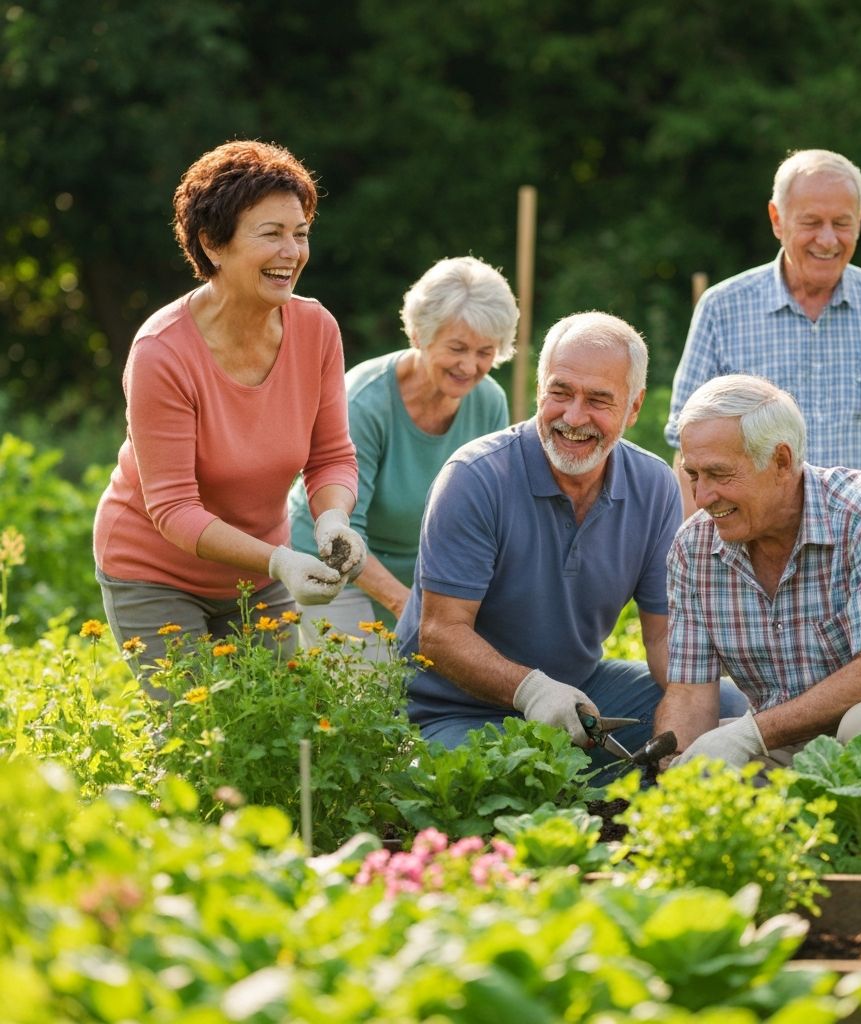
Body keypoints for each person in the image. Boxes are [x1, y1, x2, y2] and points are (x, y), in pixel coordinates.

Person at [397, 311, 748, 774]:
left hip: (580, 692)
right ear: (540, 390)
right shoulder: (476, 478)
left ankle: (643, 786)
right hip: (455, 709)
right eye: (560, 392)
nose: (574, 417)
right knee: (516, 778)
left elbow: (664, 633)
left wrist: (684, 730)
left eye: (599, 400)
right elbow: (441, 634)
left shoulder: (654, 485)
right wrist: (533, 691)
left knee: (727, 708)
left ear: (634, 407)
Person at [93, 139, 367, 692]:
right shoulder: (162, 353)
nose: (292, 251)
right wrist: (281, 563)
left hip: (258, 571)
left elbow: (331, 455)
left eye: (301, 233)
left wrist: (333, 518)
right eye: (271, 234)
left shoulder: (317, 329)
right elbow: (172, 508)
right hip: (156, 573)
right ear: (213, 245)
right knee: (197, 737)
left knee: (276, 732)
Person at [663, 148, 861, 617]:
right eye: (811, 222)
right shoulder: (723, 309)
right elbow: (690, 454)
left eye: (842, 222)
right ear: (777, 218)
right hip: (756, 561)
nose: (828, 239)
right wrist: (687, 565)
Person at [656, 374, 861, 787]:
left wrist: (748, 734)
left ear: (781, 461)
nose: (703, 497)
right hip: (795, 735)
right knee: (704, 774)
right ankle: (811, 820)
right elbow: (690, 693)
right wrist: (676, 762)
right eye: (693, 475)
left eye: (719, 475)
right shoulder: (694, 549)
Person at [287, 256, 517, 650]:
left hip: (425, 572)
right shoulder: (365, 402)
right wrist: (411, 609)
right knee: (370, 694)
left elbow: (490, 517)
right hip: (332, 564)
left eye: (485, 352)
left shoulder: (489, 401)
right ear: (420, 335)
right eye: (457, 347)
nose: (470, 366)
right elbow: (345, 533)